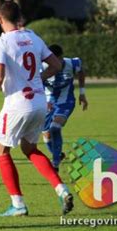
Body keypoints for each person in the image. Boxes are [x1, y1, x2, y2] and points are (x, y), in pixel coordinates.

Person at [0, 1, 74, 216]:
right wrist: (40, 78)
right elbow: (57, 66)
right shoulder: (34, 38)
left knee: (0, 150)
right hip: (39, 103)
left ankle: (18, 204)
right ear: (19, 17)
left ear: (0, 19)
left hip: (17, 104)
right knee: (29, 149)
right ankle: (62, 190)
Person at [41, 44, 88, 172]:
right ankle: (59, 155)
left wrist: (82, 94)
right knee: (46, 136)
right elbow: (36, 84)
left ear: (61, 57)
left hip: (66, 101)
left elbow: (81, 73)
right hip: (47, 103)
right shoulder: (41, 67)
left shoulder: (72, 63)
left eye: (56, 59)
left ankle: (55, 163)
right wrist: (42, 101)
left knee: (55, 127)